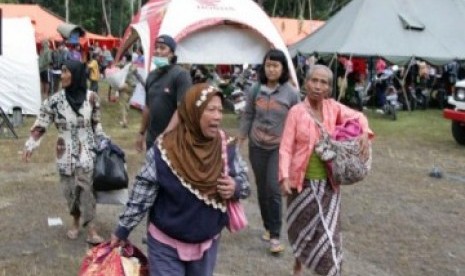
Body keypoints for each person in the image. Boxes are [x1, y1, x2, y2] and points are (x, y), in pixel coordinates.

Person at [111, 83, 250, 276]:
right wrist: (122, 230)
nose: (218, 116)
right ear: (193, 111)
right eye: (211, 110)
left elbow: (245, 182)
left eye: (220, 110)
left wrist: (236, 187)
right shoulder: (165, 150)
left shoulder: (225, 146)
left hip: (207, 244)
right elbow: (142, 194)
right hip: (165, 244)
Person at [279, 64, 374, 276]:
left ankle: (332, 270)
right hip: (301, 185)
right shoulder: (296, 112)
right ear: (306, 83)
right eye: (314, 80)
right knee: (301, 229)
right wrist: (284, 176)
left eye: (323, 82)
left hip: (329, 186)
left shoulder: (333, 107)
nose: (318, 86)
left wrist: (364, 134)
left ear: (329, 88)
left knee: (328, 233)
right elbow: (285, 147)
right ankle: (299, 262)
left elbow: (359, 117)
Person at [22, 59, 107, 245]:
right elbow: (41, 125)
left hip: (87, 150)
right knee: (69, 190)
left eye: (67, 71)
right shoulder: (54, 101)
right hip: (64, 151)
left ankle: (91, 227)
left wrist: (102, 139)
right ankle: (76, 221)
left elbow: (96, 122)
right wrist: (30, 144)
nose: (63, 75)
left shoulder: (91, 98)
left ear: (76, 74)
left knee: (86, 188)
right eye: (62, 71)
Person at [238, 49, 300, 254]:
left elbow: (298, 119)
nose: (271, 69)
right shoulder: (255, 89)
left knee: (273, 189)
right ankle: (267, 226)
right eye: (268, 65)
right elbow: (248, 114)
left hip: (278, 148)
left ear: (283, 68)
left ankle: (275, 235)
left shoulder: (291, 93)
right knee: (262, 188)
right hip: (256, 145)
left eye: (276, 65)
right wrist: (241, 137)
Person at [136, 34, 192, 151]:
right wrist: (141, 133)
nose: (157, 51)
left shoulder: (181, 75)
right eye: (156, 48)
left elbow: (182, 109)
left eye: (162, 48)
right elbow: (147, 106)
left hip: (175, 140)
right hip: (152, 139)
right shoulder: (151, 76)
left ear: (171, 53)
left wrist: (165, 134)